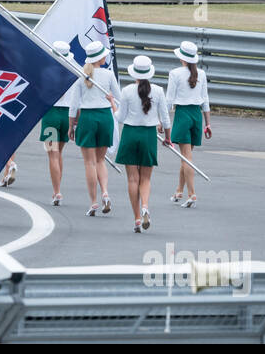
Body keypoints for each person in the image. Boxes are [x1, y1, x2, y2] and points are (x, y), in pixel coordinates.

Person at [115, 54, 171, 233]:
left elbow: (120, 118)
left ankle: (137, 218)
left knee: (132, 179)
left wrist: (112, 106)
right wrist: (168, 137)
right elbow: (165, 118)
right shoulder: (159, 91)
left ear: (134, 73)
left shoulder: (126, 91)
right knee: (145, 178)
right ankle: (145, 205)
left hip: (130, 133)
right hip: (148, 135)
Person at [68, 41, 122, 217]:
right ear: (100, 58)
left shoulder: (81, 76)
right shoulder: (108, 75)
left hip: (88, 119)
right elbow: (119, 98)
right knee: (100, 160)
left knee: (89, 163)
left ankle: (93, 202)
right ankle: (105, 191)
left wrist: (71, 126)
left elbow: (74, 105)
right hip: (105, 117)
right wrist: (111, 100)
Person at [166, 40, 211, 208]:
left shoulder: (175, 73)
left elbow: (169, 100)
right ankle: (179, 190)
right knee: (185, 157)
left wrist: (163, 122)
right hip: (196, 116)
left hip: (183, 114)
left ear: (181, 57)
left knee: (186, 157)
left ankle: (192, 193)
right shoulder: (202, 73)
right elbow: (205, 100)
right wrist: (208, 123)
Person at [40, 40, 76, 206]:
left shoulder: (46, 70)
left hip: (51, 113)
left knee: (52, 154)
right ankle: (58, 189)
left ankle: (57, 191)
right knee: (59, 152)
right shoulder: (74, 71)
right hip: (67, 114)